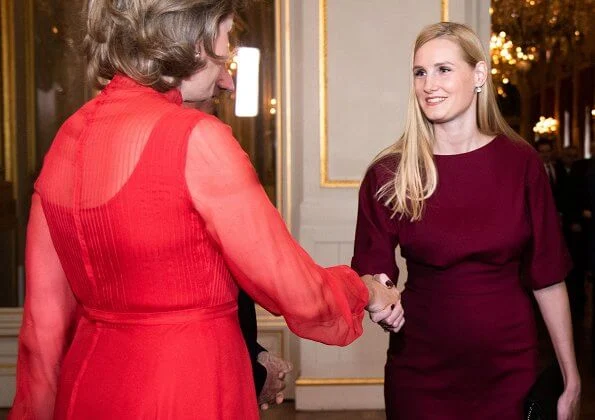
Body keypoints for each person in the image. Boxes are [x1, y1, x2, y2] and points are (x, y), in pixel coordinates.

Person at [8, 1, 405, 419]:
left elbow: (42, 332)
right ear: (197, 39)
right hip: (187, 387)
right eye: (227, 41)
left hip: (87, 387)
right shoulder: (197, 139)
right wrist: (368, 290)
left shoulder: (65, 142)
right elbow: (297, 290)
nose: (229, 81)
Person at [351, 22, 580, 420]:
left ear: (478, 75)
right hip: (420, 370)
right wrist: (380, 300)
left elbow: (548, 277)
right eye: (420, 72)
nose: (429, 84)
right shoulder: (390, 172)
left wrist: (571, 377)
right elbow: (373, 270)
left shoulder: (521, 162)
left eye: (443, 69)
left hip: (510, 368)